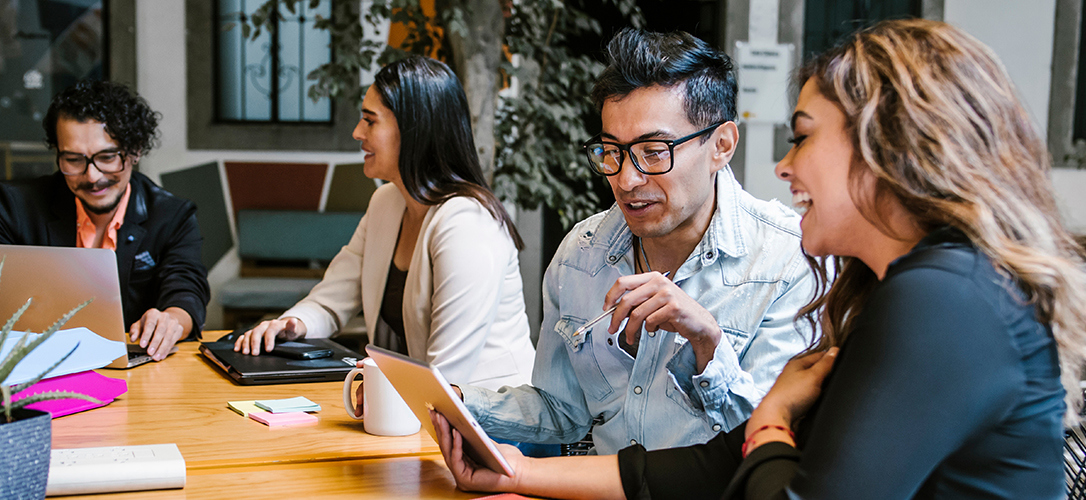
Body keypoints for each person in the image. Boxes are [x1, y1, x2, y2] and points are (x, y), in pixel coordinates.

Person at [430, 19, 1086, 500]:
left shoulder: (944, 297)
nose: (784, 166)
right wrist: (512, 471)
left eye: (802, 139)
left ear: (885, 146)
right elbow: (716, 467)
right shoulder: (913, 287)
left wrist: (769, 418)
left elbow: (770, 472)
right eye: (612, 153)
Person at [447, 28, 814, 456]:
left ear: (722, 145)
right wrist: (456, 400)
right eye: (611, 150)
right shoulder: (581, 255)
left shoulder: (786, 260)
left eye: (654, 151)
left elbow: (768, 445)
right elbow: (562, 411)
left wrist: (707, 345)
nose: (626, 179)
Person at [234, 56, 536, 391]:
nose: (357, 132)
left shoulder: (468, 224)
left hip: (495, 418)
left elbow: (447, 376)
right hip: (421, 405)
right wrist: (293, 324)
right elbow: (334, 296)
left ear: (413, 130)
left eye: (370, 121)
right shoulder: (385, 202)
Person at [0, 80, 210, 360]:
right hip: (32, 363)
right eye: (74, 160)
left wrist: (172, 320)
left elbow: (187, 287)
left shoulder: (172, 216)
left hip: (133, 369)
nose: (92, 176)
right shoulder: (15, 207)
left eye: (108, 157)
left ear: (135, 151)